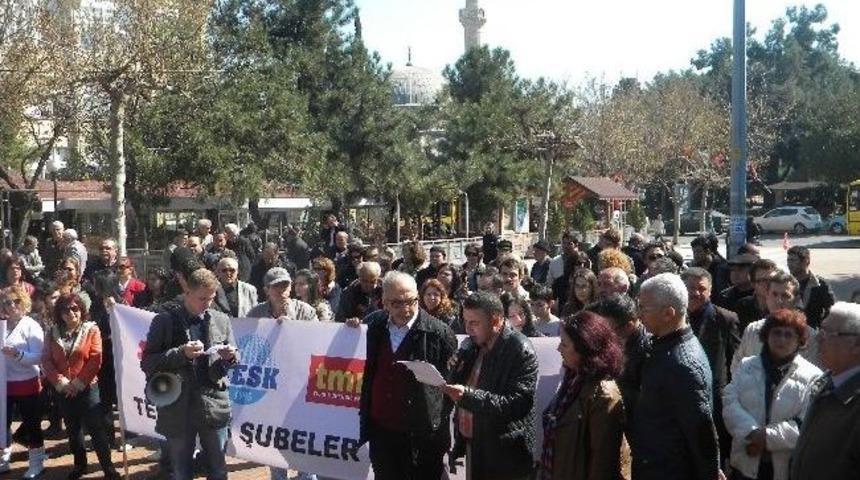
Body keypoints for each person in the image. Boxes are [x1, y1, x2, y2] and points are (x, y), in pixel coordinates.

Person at [355, 271, 457, 479]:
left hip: (421, 440)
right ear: (384, 301)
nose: (406, 309)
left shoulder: (439, 334)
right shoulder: (374, 327)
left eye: (411, 301)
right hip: (382, 433)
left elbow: (450, 389)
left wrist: (433, 425)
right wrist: (351, 329)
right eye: (397, 303)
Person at [141, 269, 238, 480]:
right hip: (177, 407)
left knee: (218, 469)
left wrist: (229, 357)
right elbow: (148, 362)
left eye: (211, 299)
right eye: (202, 298)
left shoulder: (221, 320)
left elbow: (232, 362)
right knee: (181, 471)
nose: (207, 304)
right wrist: (181, 353)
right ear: (187, 293)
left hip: (213, 404)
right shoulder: (164, 321)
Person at [631, 273, 721, 480]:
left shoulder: (682, 365)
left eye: (644, 308)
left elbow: (702, 435)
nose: (639, 314)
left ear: (668, 313)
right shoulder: (664, 346)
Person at [445, 292, 539, 480]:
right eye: (465, 321)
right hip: (475, 448)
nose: (468, 329)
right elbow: (461, 391)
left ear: (495, 321)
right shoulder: (472, 345)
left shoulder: (519, 350)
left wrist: (468, 397)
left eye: (474, 323)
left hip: (505, 457)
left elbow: (517, 404)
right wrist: (455, 369)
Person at [722, 309, 822, 480]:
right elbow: (730, 401)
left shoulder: (813, 376)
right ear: (766, 336)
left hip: (785, 468)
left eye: (788, 335)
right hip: (745, 462)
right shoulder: (746, 366)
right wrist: (751, 432)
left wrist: (767, 437)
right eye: (776, 333)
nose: (781, 339)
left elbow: (808, 422)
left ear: (799, 340)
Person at [539, 311, 631, 480]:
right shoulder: (573, 378)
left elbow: (603, 463)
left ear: (585, 350)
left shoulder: (603, 395)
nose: (558, 349)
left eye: (564, 344)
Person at [42, 293, 121, 480]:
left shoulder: (91, 329)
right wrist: (61, 382)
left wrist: (78, 384)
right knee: (72, 429)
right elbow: (46, 360)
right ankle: (80, 464)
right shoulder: (51, 332)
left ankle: (108, 467)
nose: (71, 313)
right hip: (63, 390)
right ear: (59, 313)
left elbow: (96, 358)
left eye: (75, 308)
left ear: (81, 310)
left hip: (87, 389)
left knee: (96, 429)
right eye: (65, 309)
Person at [790, 302, 860, 480]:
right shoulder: (825, 383)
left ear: (857, 344)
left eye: (828, 333)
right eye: (821, 330)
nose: (818, 338)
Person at [681, 267, 742, 462]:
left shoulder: (725, 318)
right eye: (690, 288)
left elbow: (735, 360)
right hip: (682, 398)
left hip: (715, 400)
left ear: (710, 290)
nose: (695, 293)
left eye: (702, 288)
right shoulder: (672, 316)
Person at [732, 272, 819, 375]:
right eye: (774, 294)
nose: (779, 301)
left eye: (785, 296)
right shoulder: (752, 330)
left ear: (796, 300)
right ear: (767, 297)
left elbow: (814, 378)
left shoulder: (810, 337)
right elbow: (737, 368)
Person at [0, 287, 47, 478]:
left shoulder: (31, 325)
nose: (11, 305)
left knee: (31, 424)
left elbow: (39, 357)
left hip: (26, 382)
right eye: (7, 302)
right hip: (4, 383)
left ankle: (37, 463)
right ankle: (4, 459)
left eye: (15, 301)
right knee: (3, 423)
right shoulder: (2, 325)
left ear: (23, 302)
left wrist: (18, 354)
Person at [586, 293, 650, 420]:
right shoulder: (617, 339)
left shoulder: (646, 351)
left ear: (629, 325)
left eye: (610, 329)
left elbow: (645, 400)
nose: (606, 334)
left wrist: (610, 388)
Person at [785, 246, 835, 329]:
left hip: (812, 335)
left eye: (793, 260)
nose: (789, 264)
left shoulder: (820, 285)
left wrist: (821, 328)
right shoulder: (784, 283)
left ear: (805, 261)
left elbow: (831, 310)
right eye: (788, 260)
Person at [247, 267, 318, 322]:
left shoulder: (305, 311)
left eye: (285, 285)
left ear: (290, 287)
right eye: (276, 286)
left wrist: (293, 326)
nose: (281, 290)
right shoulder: (255, 314)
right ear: (266, 290)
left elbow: (316, 336)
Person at [734, 259, 778, 333]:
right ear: (753, 284)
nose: (768, 284)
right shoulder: (743, 306)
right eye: (763, 280)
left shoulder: (784, 305)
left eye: (772, 280)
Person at [690, 234, 730, 302]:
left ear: (708, 251)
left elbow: (722, 293)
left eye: (699, 252)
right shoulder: (695, 266)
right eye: (694, 252)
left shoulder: (721, 267)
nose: (695, 255)